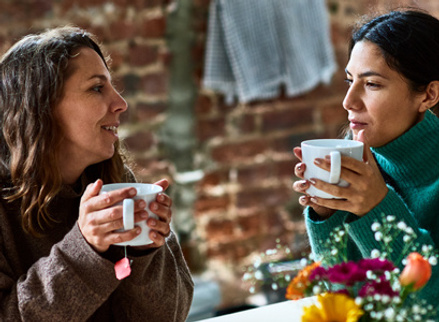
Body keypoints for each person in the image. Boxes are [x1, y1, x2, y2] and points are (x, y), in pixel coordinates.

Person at [0, 26, 193, 321]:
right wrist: (85, 249)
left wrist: (144, 250)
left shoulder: (117, 183)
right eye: (96, 88)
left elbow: (171, 316)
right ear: (42, 108)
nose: (121, 103)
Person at [293, 9, 439, 305]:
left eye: (372, 84)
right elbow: (338, 296)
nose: (348, 102)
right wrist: (326, 214)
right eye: (350, 81)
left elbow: (429, 304)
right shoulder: (357, 155)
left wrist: (377, 205)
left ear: (428, 95)